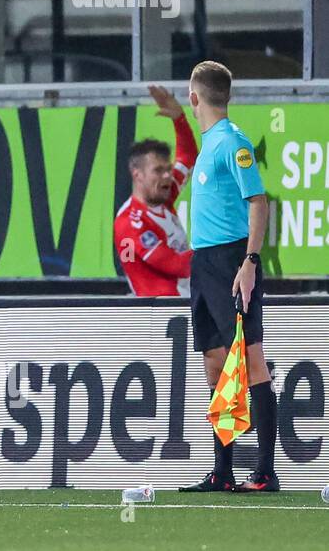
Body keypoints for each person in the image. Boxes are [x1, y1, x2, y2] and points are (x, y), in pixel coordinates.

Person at [177, 62, 277, 493]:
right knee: (215, 363)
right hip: (204, 264)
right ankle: (223, 471)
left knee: (250, 360)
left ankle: (266, 472)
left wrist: (250, 262)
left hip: (232, 261)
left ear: (195, 97)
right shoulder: (209, 145)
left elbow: (259, 200)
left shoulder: (233, 143)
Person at [114, 85, 197, 297]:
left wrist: (179, 118)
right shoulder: (131, 223)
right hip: (161, 318)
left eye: (168, 169)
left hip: (186, 306)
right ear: (137, 174)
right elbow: (177, 265)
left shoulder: (164, 198)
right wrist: (222, 253)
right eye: (158, 171)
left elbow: (187, 157)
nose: (168, 176)